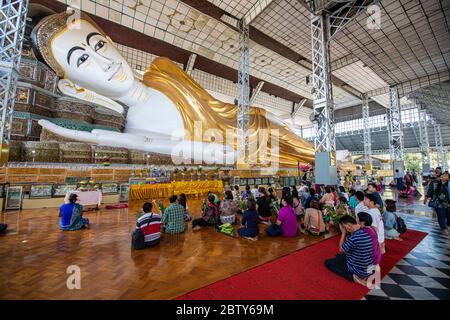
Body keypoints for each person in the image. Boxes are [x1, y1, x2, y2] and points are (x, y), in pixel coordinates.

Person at [325, 215, 375, 285]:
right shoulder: (368, 230)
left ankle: (354, 277)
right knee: (338, 256)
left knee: (328, 263)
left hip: (360, 270)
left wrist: (343, 233)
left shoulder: (354, 238)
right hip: (371, 267)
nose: (343, 228)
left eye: (343, 227)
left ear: (348, 225)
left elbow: (341, 250)